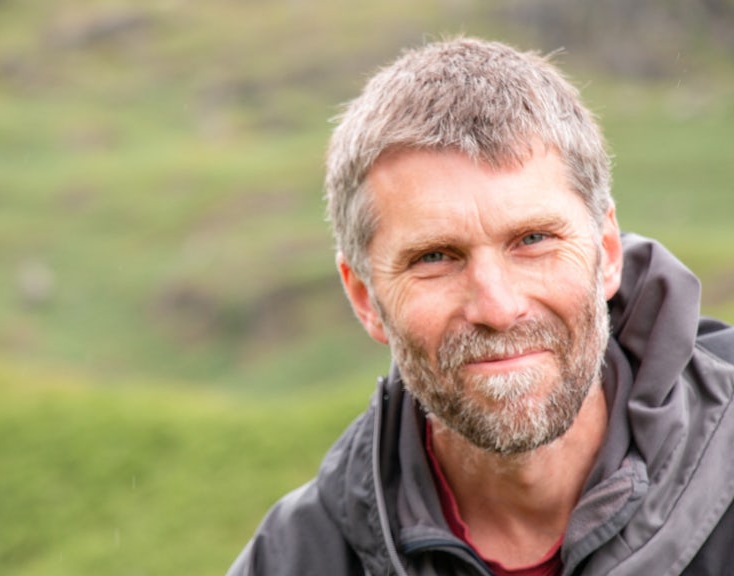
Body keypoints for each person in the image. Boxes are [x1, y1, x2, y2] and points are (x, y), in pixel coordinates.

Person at [227, 36, 734, 576]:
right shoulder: (298, 559)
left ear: (606, 252)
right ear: (364, 297)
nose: (497, 306)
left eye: (533, 239)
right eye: (436, 256)